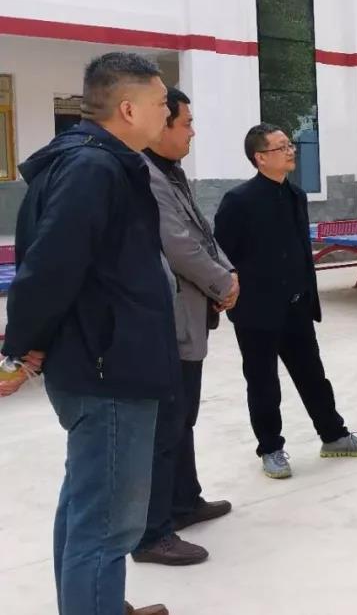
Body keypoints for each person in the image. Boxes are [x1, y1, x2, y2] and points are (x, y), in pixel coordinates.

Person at [1, 52, 174, 615]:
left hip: (100, 361)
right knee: (106, 524)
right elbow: (48, 269)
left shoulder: (91, 163)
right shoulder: (93, 169)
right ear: (128, 109)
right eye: (160, 103)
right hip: (108, 371)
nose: (168, 112)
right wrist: (16, 350)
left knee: (87, 505)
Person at [214, 123, 357, 479]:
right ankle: (271, 448)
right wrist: (229, 295)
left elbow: (300, 251)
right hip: (256, 312)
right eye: (281, 147)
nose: (291, 151)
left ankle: (333, 436)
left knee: (313, 376)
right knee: (263, 383)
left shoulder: (296, 196)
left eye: (290, 145)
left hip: (296, 306)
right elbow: (221, 256)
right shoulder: (238, 201)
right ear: (260, 157)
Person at [132, 88, 235, 566]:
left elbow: (202, 234)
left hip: (190, 313)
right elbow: (178, 245)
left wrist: (227, 274)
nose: (192, 132)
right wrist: (222, 282)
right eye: (185, 122)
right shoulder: (145, 176)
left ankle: (184, 501)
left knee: (183, 417)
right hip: (166, 321)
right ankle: (152, 533)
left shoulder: (171, 172)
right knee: (165, 426)